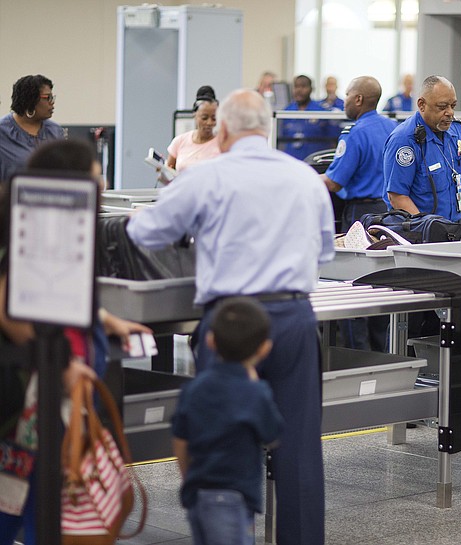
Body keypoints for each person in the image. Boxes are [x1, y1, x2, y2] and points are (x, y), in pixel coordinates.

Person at [126, 89, 334, 545]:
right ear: (268, 129)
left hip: (231, 323)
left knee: (225, 441)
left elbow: (147, 231)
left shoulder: (206, 177)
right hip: (294, 316)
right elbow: (324, 251)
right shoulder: (304, 178)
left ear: (223, 131)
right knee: (299, 445)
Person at [0, 139, 152, 545]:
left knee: (44, 502)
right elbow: (12, 311)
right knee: (25, 504)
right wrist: (61, 368)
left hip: (61, 401)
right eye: (95, 177)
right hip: (34, 404)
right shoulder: (25, 228)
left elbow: (63, 292)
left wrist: (106, 319)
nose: (101, 185)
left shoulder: (65, 228)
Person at [172, 297, 284, 545]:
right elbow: (273, 435)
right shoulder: (256, 393)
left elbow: (180, 439)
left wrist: (188, 477)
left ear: (210, 341)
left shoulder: (193, 389)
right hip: (235, 497)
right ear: (264, 349)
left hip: (198, 493)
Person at [320, 76, 396, 351]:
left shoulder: (355, 133)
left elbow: (334, 181)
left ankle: (356, 359)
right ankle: (382, 358)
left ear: (359, 99)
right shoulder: (393, 127)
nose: (344, 99)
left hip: (359, 217)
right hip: (387, 215)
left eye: (348, 94)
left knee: (351, 289)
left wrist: (301, 177)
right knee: (378, 287)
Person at [383, 75, 461, 227]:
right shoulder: (404, 140)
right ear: (422, 105)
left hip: (455, 228)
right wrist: (430, 229)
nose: (450, 112)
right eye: (442, 107)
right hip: (421, 233)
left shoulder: (456, 130)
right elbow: (397, 196)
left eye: (453, 106)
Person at [0, 75, 63, 182]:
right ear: (30, 100)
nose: (52, 102)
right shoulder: (2, 132)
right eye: (47, 98)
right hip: (11, 197)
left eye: (52, 98)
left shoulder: (55, 131)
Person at [165, 85, 220, 176]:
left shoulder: (223, 144)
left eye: (214, 118)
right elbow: (168, 175)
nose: (209, 123)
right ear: (195, 115)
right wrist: (162, 174)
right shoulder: (179, 142)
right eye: (204, 118)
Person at [281, 75, 337, 160]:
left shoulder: (322, 112)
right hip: (291, 162)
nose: (299, 90)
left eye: (303, 86)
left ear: (311, 89)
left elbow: (332, 141)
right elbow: (281, 140)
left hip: (314, 163)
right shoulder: (286, 112)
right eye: (296, 87)